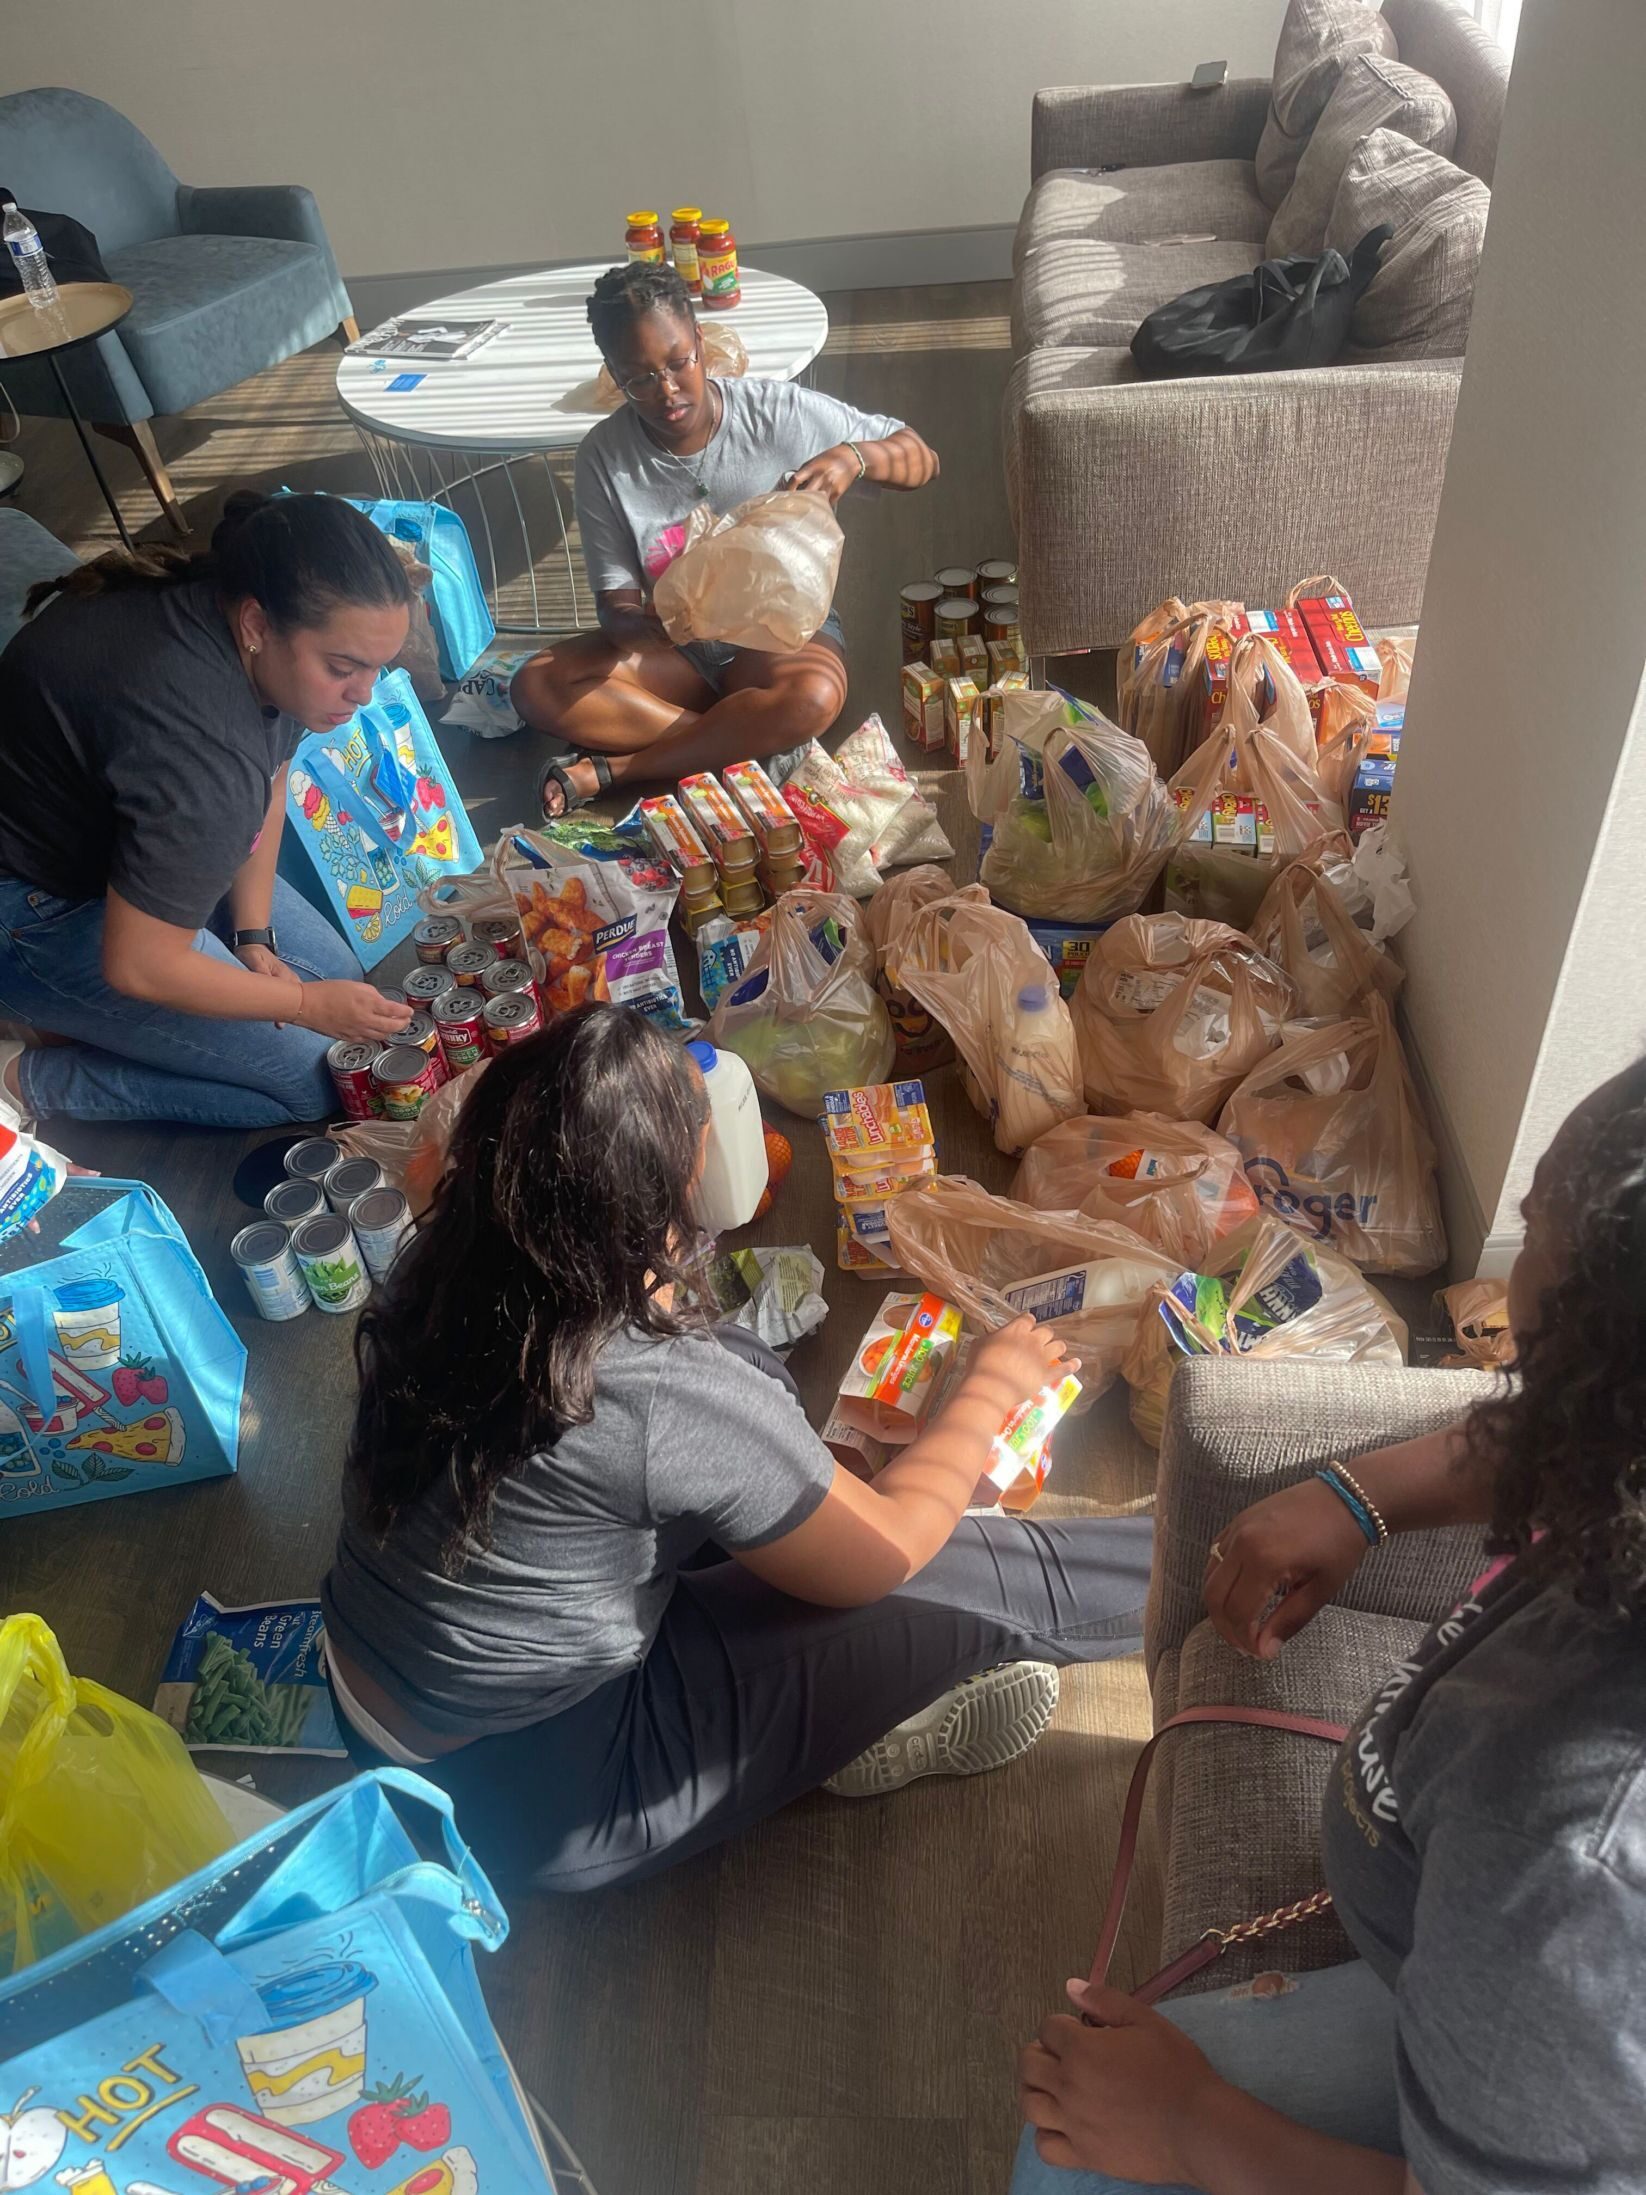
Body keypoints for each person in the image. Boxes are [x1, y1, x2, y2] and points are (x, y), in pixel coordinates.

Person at [321, 1005, 1153, 1893]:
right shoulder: (653, 1387)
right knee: (963, 1569)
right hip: (536, 1796)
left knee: (787, 1490)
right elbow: (888, 1547)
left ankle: (829, 1703)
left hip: (376, 1694)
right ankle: (1215, 1556)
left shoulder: (443, 1266)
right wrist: (994, 1385)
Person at [1013, 1059, 1646, 2195]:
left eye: (1536, 1219)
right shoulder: (1612, 1459)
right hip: (1454, 1924)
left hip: (1484, 1965)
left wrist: (1187, 2125)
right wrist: (1364, 1494)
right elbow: (1557, 1429)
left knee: (1067, 2158)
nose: (1509, 1272)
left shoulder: (1564, 1852)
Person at [0, 492, 416, 1129]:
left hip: (118, 840)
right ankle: (23, 1074)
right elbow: (140, 962)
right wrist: (300, 1003)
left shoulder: (234, 609)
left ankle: (87, 1018)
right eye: (343, 668)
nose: (361, 696)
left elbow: (273, 776)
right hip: (35, 909)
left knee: (343, 980)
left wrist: (253, 935)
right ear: (257, 626)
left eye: (377, 669)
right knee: (314, 1082)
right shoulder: (201, 750)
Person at [510, 262, 940, 816]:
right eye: (638, 378)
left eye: (678, 363)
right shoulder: (604, 456)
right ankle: (744, 744)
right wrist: (638, 625)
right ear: (614, 376)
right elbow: (615, 604)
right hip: (679, 650)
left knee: (815, 694)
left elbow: (922, 458)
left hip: (780, 638)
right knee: (536, 686)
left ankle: (620, 770)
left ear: (701, 343)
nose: (666, 391)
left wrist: (853, 458)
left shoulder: (774, 412)